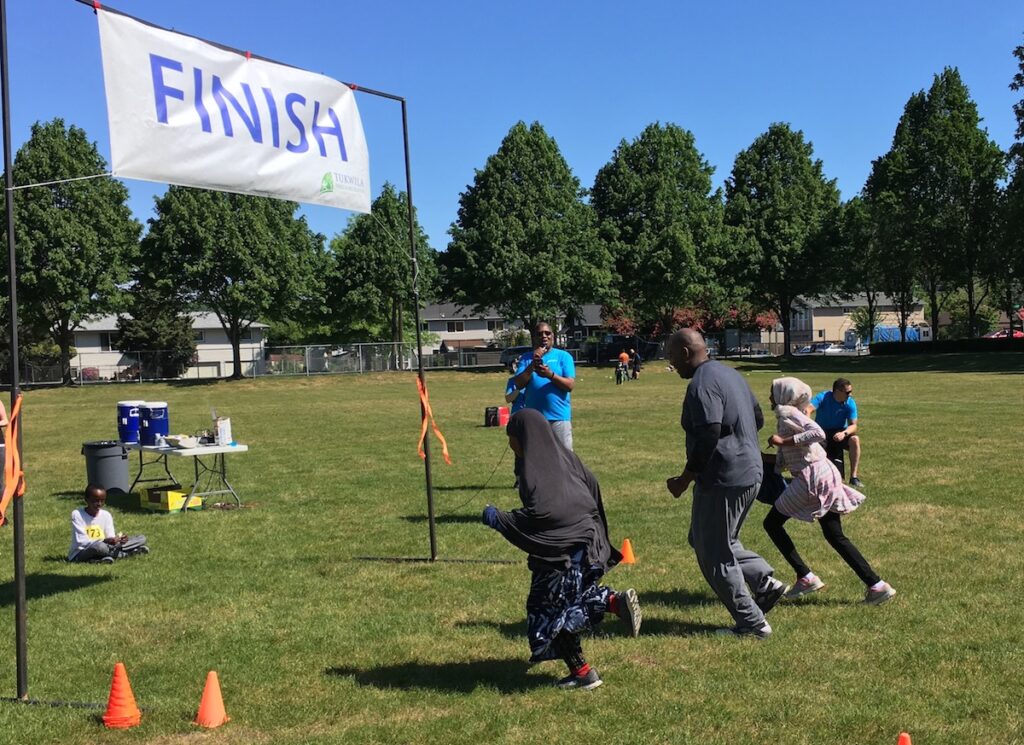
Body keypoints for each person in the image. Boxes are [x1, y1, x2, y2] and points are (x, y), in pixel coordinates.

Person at [482, 409, 641, 690]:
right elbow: (592, 485)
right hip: (586, 542)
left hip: (562, 552)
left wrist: (498, 518)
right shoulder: (563, 458)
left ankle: (607, 610)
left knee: (549, 612)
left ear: (524, 437)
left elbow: (542, 517)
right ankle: (586, 664)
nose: (509, 444)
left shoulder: (536, 475)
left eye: (511, 437)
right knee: (562, 603)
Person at [664, 328, 787, 639]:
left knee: (714, 552)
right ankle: (763, 582)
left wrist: (684, 479)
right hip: (750, 471)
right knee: (709, 537)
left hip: (724, 477)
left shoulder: (702, 385)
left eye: (671, 357)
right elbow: (757, 418)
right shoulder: (730, 375)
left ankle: (752, 623)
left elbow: (708, 433)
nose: (671, 364)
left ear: (685, 353)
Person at [762, 377, 896, 605]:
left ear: (784, 395)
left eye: (773, 392)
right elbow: (789, 458)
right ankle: (877, 586)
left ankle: (805, 577)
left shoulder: (787, 412)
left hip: (812, 477)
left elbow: (817, 433)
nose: (769, 397)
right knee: (834, 535)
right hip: (822, 473)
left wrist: (783, 441)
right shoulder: (788, 414)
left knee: (772, 524)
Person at [512, 322, 576, 450]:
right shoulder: (526, 358)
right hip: (534, 419)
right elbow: (518, 384)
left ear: (553, 336)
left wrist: (550, 375)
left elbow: (569, 385)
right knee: (537, 459)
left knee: (564, 460)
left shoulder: (563, 357)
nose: (544, 336)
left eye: (547, 333)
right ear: (534, 337)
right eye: (539, 334)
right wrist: (532, 364)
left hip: (558, 417)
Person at [68, 485, 149, 563]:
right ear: (86, 499)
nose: (99, 504)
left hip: (106, 547)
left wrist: (118, 540)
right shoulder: (77, 514)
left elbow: (110, 536)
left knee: (141, 538)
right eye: (95, 500)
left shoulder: (106, 515)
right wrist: (104, 541)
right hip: (84, 551)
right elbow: (82, 542)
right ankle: (127, 554)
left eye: (102, 500)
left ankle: (102, 558)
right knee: (99, 547)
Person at [810, 378, 863, 487]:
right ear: (837, 391)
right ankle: (814, 478)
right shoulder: (823, 397)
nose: (850, 394)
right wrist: (809, 427)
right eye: (847, 392)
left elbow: (853, 425)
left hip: (840, 432)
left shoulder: (850, 402)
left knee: (855, 440)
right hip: (822, 431)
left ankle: (853, 477)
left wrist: (844, 433)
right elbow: (808, 409)